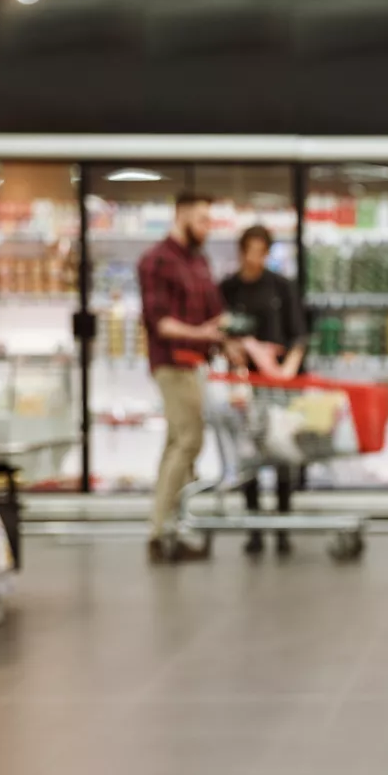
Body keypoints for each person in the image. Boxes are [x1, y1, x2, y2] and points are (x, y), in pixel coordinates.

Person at [138, 191, 236, 562]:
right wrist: (205, 334)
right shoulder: (157, 261)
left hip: (196, 365)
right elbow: (160, 323)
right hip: (171, 363)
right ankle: (161, 530)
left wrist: (229, 333)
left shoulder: (199, 262)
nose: (207, 228)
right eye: (202, 220)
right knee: (190, 441)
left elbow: (216, 312)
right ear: (180, 215)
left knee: (177, 442)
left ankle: (168, 529)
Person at [219, 225, 307, 556]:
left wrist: (286, 372)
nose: (256, 257)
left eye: (262, 251)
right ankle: (254, 528)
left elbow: (298, 335)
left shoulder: (282, 287)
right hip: (243, 384)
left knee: (284, 452)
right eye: (250, 250)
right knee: (248, 454)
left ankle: (283, 528)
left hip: (279, 385)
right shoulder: (227, 288)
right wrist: (232, 350)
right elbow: (220, 332)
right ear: (241, 252)